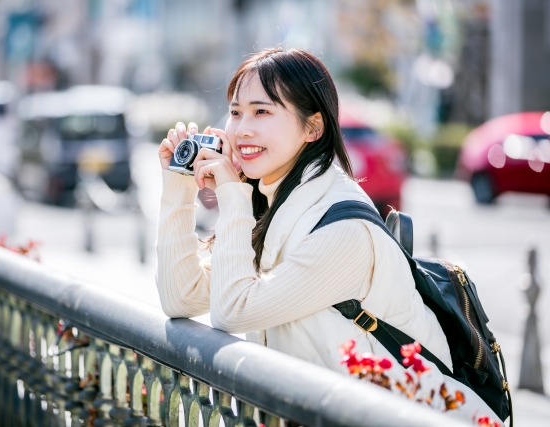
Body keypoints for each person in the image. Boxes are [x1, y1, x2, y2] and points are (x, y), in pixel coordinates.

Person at [156, 48, 497, 420]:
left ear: (313, 127)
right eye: (236, 112)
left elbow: (232, 311)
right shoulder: (276, 206)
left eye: (262, 111)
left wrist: (232, 194)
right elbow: (180, 297)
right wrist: (179, 182)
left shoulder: (343, 229)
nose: (241, 129)